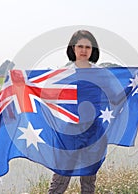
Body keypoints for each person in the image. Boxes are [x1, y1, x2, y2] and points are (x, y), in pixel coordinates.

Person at [48, 30, 100, 194]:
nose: (84, 50)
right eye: (80, 46)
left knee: (89, 180)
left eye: (88, 47)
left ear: (93, 50)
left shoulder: (101, 73)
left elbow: (116, 93)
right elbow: (46, 92)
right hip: (69, 131)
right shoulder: (63, 73)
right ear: (73, 48)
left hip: (94, 131)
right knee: (60, 177)